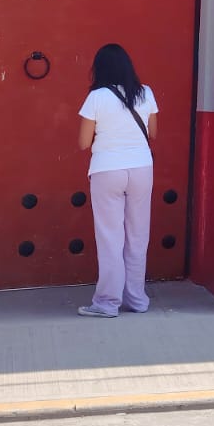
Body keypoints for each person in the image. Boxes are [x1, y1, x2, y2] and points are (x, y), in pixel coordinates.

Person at [76, 43, 158, 318]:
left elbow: (83, 142)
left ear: (99, 69)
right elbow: (153, 133)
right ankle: (137, 300)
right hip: (142, 169)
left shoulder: (97, 97)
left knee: (110, 238)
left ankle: (107, 303)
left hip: (107, 170)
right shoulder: (146, 93)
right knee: (138, 236)